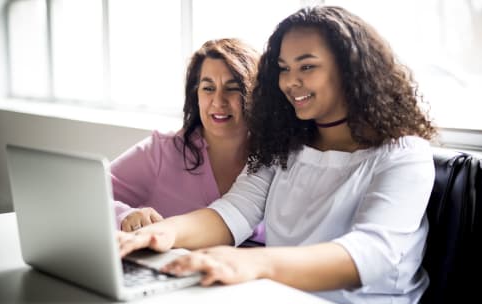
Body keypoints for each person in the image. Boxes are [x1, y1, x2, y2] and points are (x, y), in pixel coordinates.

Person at [117, 6, 437, 304]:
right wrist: (164, 232)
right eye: (283, 69)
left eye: (307, 66)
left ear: (350, 69)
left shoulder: (405, 155)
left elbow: (373, 252)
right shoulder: (285, 146)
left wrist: (255, 262)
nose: (289, 82)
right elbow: (234, 211)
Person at [110, 38, 264, 243]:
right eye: (208, 88)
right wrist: (124, 215)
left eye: (232, 88)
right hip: (172, 270)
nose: (218, 101)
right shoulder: (160, 152)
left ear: (255, 94)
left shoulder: (275, 161)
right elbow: (85, 195)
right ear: (196, 95)